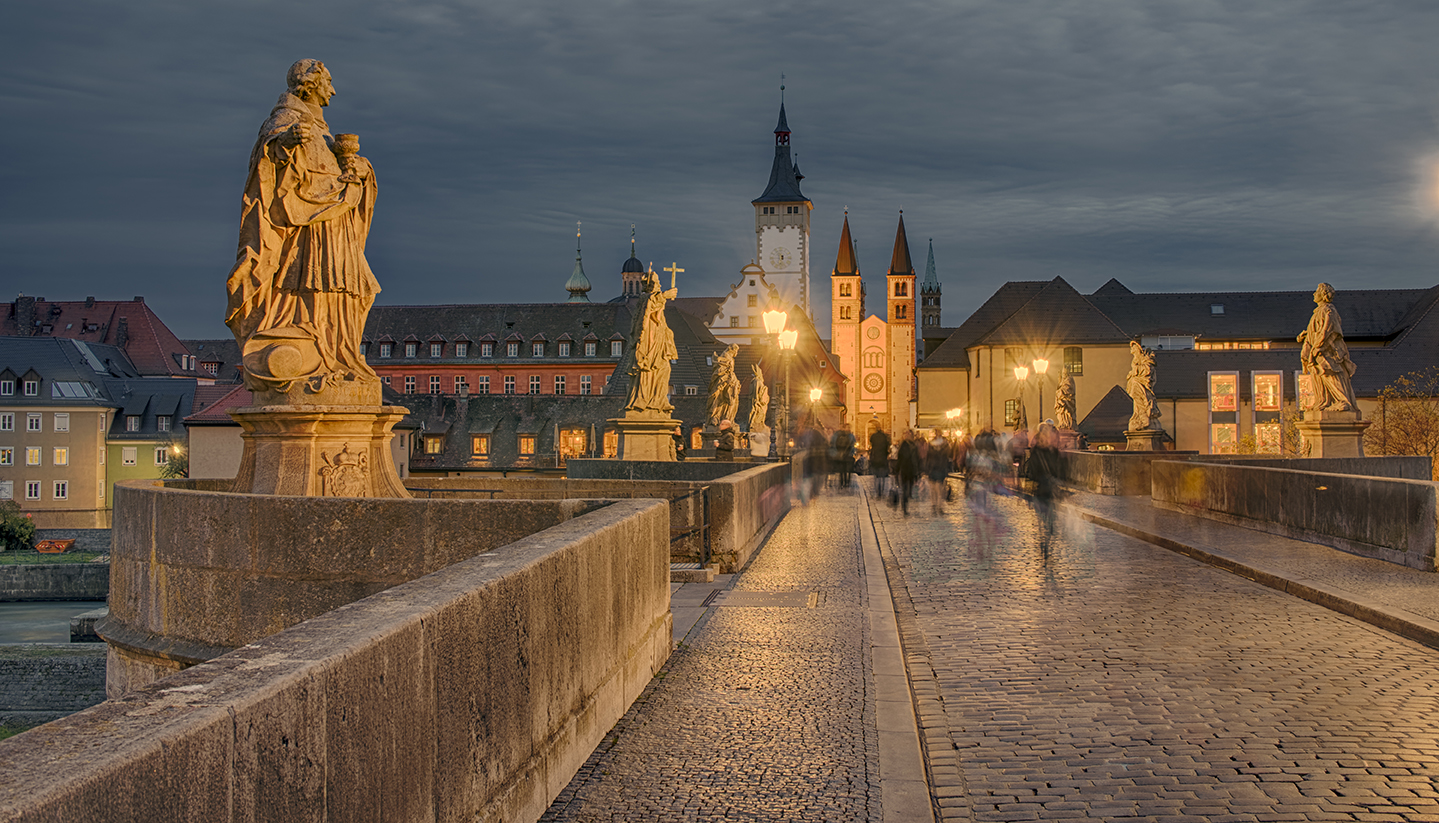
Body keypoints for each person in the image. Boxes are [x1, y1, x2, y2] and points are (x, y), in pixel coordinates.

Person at [225, 59, 381, 396]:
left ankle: (339, 356)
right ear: (308, 84)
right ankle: (317, 353)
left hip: (335, 221)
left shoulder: (322, 129)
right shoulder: (287, 120)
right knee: (315, 283)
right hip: (307, 225)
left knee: (349, 289)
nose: (333, 90)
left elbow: (331, 172)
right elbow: (266, 158)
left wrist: (357, 168)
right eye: (328, 82)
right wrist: (286, 142)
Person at [1297, 282, 1359, 413]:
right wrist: (1306, 335)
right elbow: (1317, 330)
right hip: (1319, 351)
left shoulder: (1328, 310)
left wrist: (1319, 346)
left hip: (1328, 352)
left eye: (1316, 292)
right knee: (1320, 377)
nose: (1314, 294)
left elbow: (1329, 329)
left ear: (1323, 294)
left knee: (1331, 375)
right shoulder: (1318, 312)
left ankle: (1343, 401)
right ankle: (1323, 401)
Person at [1025, 422, 1063, 554]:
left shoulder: (1055, 451)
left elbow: (1060, 470)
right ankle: (1044, 540)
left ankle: (1046, 538)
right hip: (1041, 489)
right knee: (1043, 517)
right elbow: (1031, 471)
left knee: (1050, 522)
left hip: (1051, 490)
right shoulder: (1037, 451)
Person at [923, 429, 950, 514]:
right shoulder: (934, 444)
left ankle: (938, 506)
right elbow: (928, 457)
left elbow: (947, 457)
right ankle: (935, 506)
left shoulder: (944, 445)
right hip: (934, 467)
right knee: (934, 489)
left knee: (938, 489)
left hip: (939, 467)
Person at [896, 430, 921, 516]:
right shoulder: (903, 445)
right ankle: (904, 507)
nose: (907, 436)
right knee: (904, 489)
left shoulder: (914, 445)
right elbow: (899, 458)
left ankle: (907, 501)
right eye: (906, 434)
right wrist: (897, 470)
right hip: (904, 469)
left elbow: (917, 458)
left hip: (912, 470)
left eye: (909, 434)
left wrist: (918, 470)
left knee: (909, 488)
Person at [831, 423, 857, 490]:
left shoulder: (838, 435)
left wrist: (836, 453)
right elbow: (853, 445)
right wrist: (853, 453)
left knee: (841, 470)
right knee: (848, 469)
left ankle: (842, 483)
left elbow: (834, 444)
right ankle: (847, 482)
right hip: (848, 454)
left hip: (841, 454)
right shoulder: (850, 435)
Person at [869, 426, 892, 496]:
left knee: (876, 475)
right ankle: (882, 489)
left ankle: (877, 489)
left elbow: (871, 443)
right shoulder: (885, 437)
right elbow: (888, 446)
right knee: (882, 475)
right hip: (883, 458)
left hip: (875, 458)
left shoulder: (873, 437)